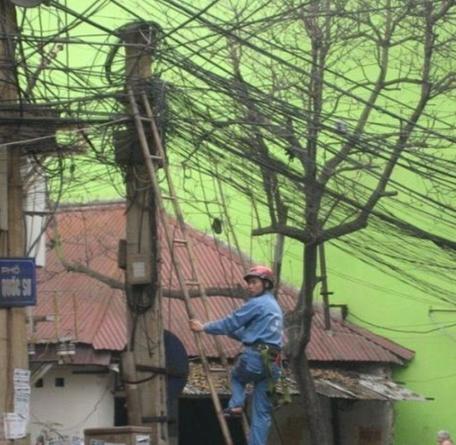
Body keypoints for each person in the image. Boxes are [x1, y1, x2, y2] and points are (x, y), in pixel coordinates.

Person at [190, 265, 283, 445]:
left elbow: (230, 323)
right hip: (274, 364)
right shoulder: (274, 306)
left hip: (255, 359)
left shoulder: (256, 304)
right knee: (261, 413)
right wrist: (230, 331)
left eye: (254, 282)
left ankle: (236, 406)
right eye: (248, 283)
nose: (249, 286)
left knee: (237, 377)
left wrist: (204, 327)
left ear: (266, 284)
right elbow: (247, 332)